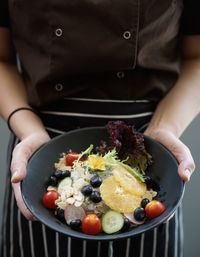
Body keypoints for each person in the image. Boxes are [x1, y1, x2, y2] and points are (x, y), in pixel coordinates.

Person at [0, 0, 199, 256]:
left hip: (144, 156)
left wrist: (165, 128)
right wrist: (28, 130)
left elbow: (197, 56)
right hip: (41, 151)